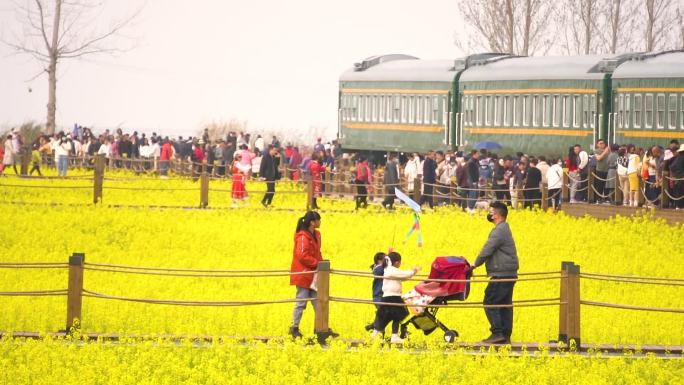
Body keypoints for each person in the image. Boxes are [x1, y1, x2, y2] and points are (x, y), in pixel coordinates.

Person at [470, 201, 519, 344]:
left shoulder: (499, 230)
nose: (488, 214)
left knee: (490, 300)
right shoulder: (504, 228)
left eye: (490, 212)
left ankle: (497, 333)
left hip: (502, 273)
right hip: (508, 272)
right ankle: (505, 335)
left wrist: (475, 264)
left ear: (496, 215)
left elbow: (488, 249)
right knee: (504, 304)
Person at [289, 211, 338, 339]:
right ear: (312, 222)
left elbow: (317, 252)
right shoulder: (303, 237)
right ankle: (293, 328)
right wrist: (318, 264)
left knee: (319, 301)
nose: (320, 222)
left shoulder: (316, 234)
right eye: (318, 220)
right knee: (301, 302)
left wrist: (322, 263)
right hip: (304, 274)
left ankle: (321, 329)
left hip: (314, 274)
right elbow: (302, 255)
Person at [371, 251, 420, 343]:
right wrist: (413, 271)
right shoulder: (390, 270)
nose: (400, 264)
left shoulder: (391, 270)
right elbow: (403, 274)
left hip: (392, 296)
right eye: (400, 262)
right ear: (397, 262)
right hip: (392, 297)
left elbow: (403, 277)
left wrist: (411, 274)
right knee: (397, 315)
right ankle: (387, 335)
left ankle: (383, 334)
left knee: (389, 316)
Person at [365, 252, 386, 332]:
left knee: (384, 314)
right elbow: (379, 270)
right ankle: (376, 328)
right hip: (378, 296)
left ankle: (374, 326)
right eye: (385, 260)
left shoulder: (385, 268)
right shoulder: (377, 268)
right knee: (383, 314)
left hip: (385, 296)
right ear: (379, 261)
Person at [593, 139, 610, 204]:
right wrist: (605, 152)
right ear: (597, 144)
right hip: (600, 170)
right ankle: (598, 199)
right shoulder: (596, 151)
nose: (602, 144)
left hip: (607, 170)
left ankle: (606, 198)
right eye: (600, 143)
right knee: (600, 185)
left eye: (603, 143)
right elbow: (599, 158)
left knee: (607, 186)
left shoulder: (608, 151)